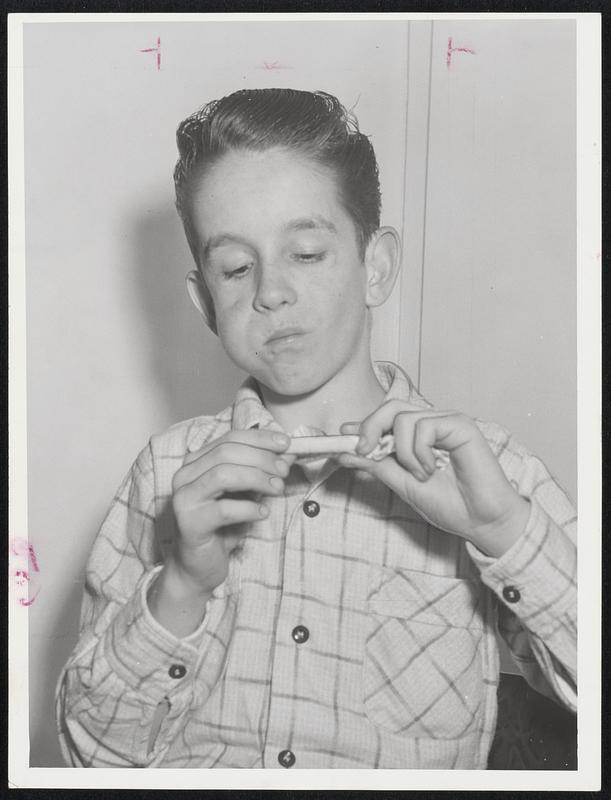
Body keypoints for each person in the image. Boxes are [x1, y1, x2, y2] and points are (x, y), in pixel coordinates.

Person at [56, 88, 576, 769]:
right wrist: (180, 584)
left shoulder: (487, 471)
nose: (269, 290)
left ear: (376, 266)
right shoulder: (166, 473)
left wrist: (500, 529)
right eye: (236, 268)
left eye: (304, 252)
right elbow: (87, 759)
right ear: (206, 302)